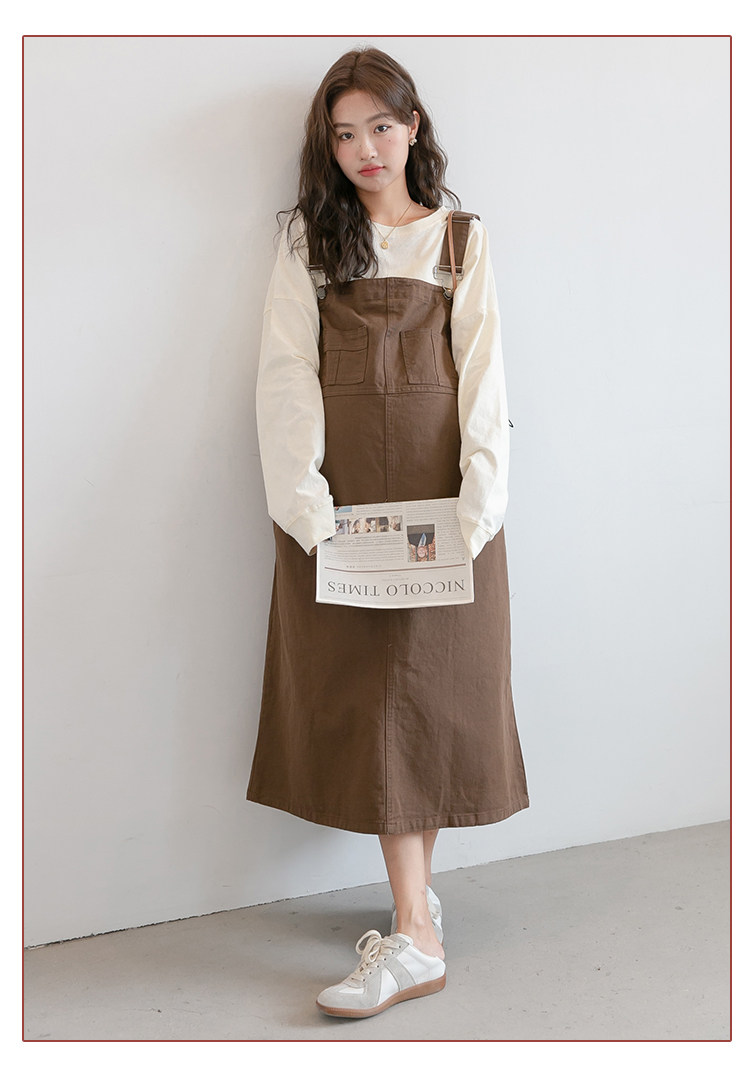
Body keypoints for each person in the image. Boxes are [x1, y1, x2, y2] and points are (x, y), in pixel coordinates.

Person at [247, 46, 529, 1020]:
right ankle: (417, 921)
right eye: (343, 133)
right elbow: (285, 374)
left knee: (432, 698)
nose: (365, 148)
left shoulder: (460, 240)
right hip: (345, 514)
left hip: (443, 510)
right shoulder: (311, 244)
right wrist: (306, 507)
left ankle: (415, 930)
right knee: (373, 702)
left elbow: (485, 375)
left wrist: (480, 506)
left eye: (380, 125)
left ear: (413, 126)